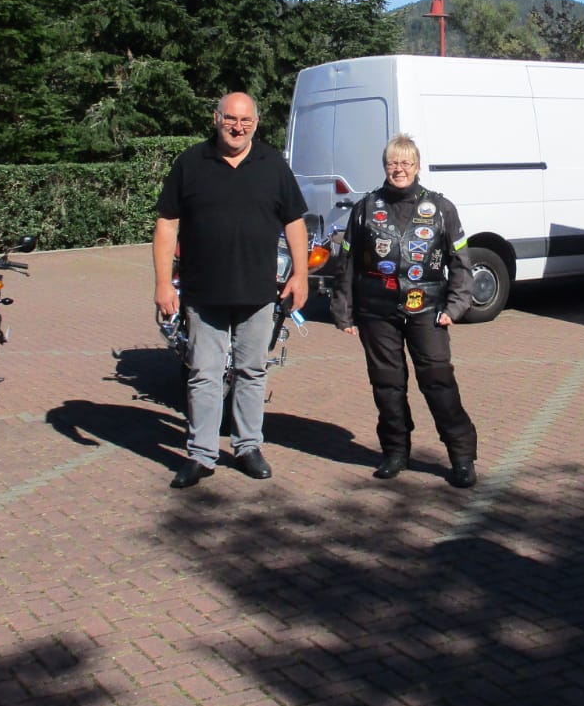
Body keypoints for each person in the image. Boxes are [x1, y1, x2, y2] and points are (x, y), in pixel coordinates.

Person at [153, 92, 308, 489]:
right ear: (216, 118)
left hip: (258, 292)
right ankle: (201, 455)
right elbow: (167, 223)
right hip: (203, 292)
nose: (238, 128)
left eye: (246, 121)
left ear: (256, 123)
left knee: (251, 372)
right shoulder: (190, 163)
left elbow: (294, 221)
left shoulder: (273, 164)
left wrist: (301, 275)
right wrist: (162, 283)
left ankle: (247, 447)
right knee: (203, 375)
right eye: (231, 119)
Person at [329, 133, 479, 487]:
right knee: (387, 384)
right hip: (376, 311)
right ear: (385, 166)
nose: (399, 169)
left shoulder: (441, 208)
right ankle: (395, 451)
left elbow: (461, 262)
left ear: (417, 166)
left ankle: (462, 456)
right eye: (393, 163)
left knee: (438, 381)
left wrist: (455, 306)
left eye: (406, 162)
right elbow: (347, 262)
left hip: (428, 309)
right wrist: (343, 310)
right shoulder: (365, 208)